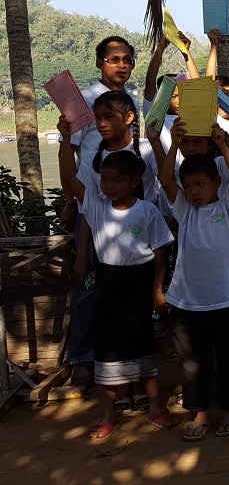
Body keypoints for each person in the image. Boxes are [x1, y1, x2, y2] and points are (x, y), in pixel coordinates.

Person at [57, 115, 174, 439]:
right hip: (107, 285)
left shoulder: (147, 211)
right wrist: (66, 141)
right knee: (107, 353)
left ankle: (154, 408)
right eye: (104, 180)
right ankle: (107, 416)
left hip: (139, 284)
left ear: (135, 181)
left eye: (115, 181)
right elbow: (69, 177)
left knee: (144, 351)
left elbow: (161, 250)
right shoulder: (96, 207)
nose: (107, 186)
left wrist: (158, 289)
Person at [157, 122, 229, 441]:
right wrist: (174, 143)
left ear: (215, 183)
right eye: (189, 185)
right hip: (188, 302)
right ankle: (200, 412)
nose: (194, 191)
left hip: (227, 301)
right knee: (193, 363)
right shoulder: (184, 209)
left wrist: (222, 144)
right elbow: (166, 179)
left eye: (200, 184)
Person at [65, 37, 138, 387]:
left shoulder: (133, 102)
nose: (120, 65)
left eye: (126, 59)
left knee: (125, 287)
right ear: (100, 63)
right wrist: (72, 205)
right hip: (91, 207)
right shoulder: (80, 101)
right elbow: (75, 154)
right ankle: (82, 357)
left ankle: (125, 357)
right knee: (87, 285)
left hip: (128, 209)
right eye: (113, 59)